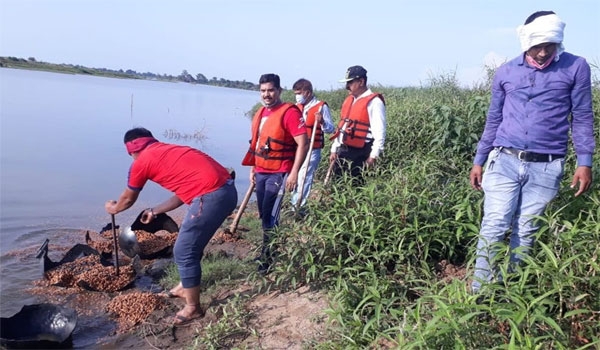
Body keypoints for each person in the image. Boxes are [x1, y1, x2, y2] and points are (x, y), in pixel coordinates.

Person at [469, 11, 595, 293]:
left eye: (548, 46)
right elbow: (494, 118)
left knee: (526, 230)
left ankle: (512, 291)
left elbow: (583, 116)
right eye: (536, 46)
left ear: (557, 42)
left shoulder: (576, 67)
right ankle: (479, 293)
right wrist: (479, 160)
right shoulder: (507, 71)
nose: (541, 53)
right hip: (504, 160)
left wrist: (584, 161)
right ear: (525, 41)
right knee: (495, 224)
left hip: (546, 165)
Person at [105, 127, 237, 325]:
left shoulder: (141, 162)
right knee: (192, 243)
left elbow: (127, 199)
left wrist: (114, 208)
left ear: (131, 150)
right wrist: (155, 211)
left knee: (183, 250)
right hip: (226, 192)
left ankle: (193, 308)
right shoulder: (168, 151)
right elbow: (185, 191)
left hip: (211, 197)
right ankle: (185, 285)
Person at [242, 73, 309, 273]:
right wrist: (253, 168)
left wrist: (294, 172)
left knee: (271, 216)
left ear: (279, 90)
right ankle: (268, 251)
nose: (267, 94)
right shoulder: (261, 113)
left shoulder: (289, 112)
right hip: (261, 171)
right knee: (263, 215)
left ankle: (268, 260)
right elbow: (258, 144)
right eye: (263, 91)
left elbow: (303, 143)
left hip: (279, 173)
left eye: (271, 90)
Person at [329, 65, 386, 184]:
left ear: (361, 82)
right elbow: (342, 127)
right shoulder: (350, 100)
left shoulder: (375, 102)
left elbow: (380, 132)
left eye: (350, 82)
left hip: (360, 153)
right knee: (337, 186)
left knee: (356, 186)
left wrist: (373, 157)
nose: (347, 86)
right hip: (343, 151)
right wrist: (334, 149)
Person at [289, 78, 335, 212]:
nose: (297, 96)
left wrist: (322, 122)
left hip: (311, 150)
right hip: (296, 148)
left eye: (299, 93)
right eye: (295, 93)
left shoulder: (321, 107)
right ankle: (292, 203)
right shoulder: (296, 107)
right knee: (293, 176)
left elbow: (330, 129)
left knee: (304, 178)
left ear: (308, 93)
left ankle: (298, 210)